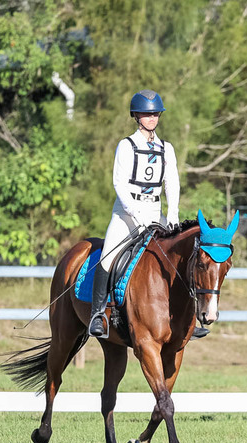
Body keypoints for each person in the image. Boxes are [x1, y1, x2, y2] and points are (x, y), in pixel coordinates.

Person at [88, 90, 180, 337]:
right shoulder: (126, 145)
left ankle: (182, 318)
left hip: (155, 211)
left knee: (177, 256)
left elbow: (172, 183)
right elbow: (119, 184)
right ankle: (97, 314)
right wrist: (136, 214)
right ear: (136, 116)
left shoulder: (166, 148)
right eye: (146, 114)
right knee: (108, 256)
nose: (151, 118)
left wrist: (173, 214)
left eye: (155, 114)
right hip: (126, 213)